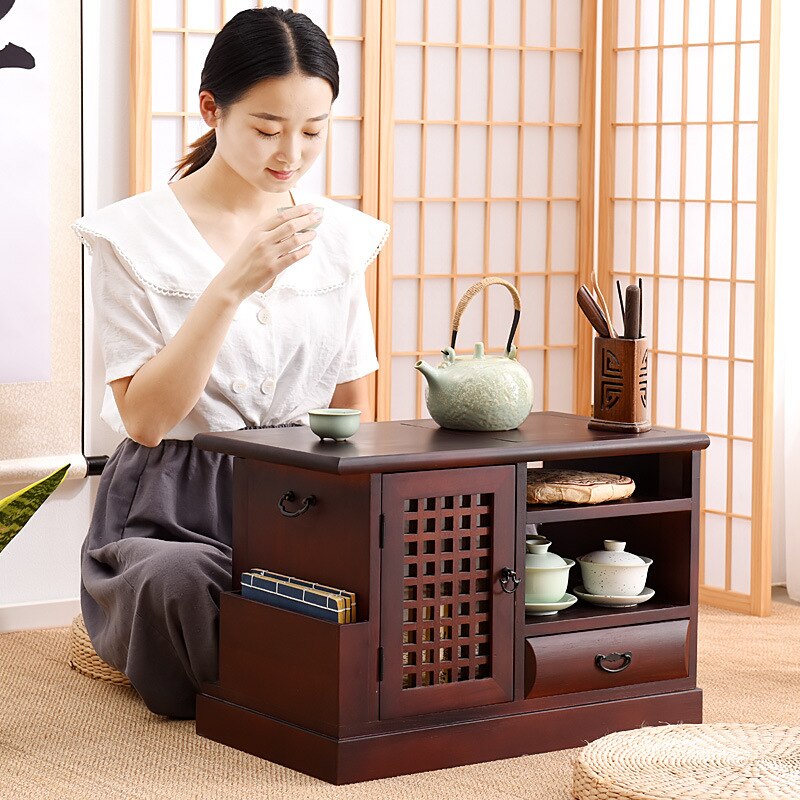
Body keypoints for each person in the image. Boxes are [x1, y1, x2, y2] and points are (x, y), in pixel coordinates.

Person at [70, 7, 390, 719]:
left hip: (300, 488)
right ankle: (299, 686)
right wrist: (234, 284)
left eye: (313, 130)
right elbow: (148, 420)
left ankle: (290, 681)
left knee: (419, 560)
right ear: (212, 109)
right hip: (171, 506)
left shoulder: (341, 238)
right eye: (269, 129)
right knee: (177, 581)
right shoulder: (130, 237)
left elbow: (351, 402)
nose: (293, 153)